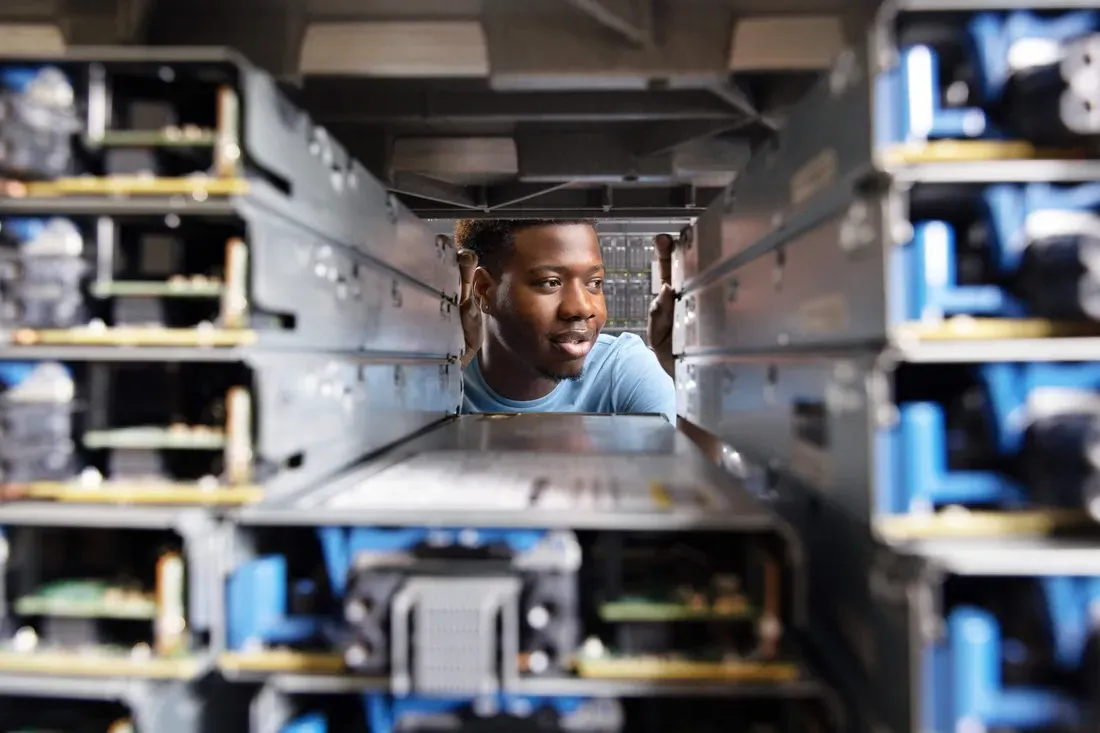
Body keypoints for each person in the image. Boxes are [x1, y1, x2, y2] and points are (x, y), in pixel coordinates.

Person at [454, 218, 681, 424]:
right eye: (550, 282)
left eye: (594, 282)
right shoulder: (446, 377)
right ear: (483, 290)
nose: (582, 308)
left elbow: (692, 467)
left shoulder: (626, 371)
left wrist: (686, 372)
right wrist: (440, 381)